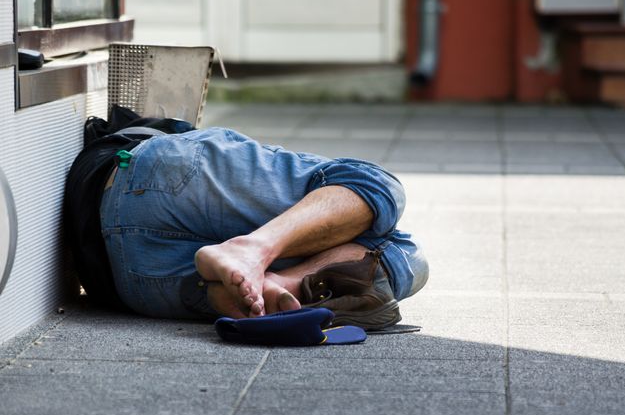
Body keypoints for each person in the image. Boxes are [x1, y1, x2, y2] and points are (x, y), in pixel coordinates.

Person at [99, 127, 428, 329]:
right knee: (402, 252)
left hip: (129, 216)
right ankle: (268, 267)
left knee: (402, 244)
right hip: (134, 280)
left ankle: (263, 276)